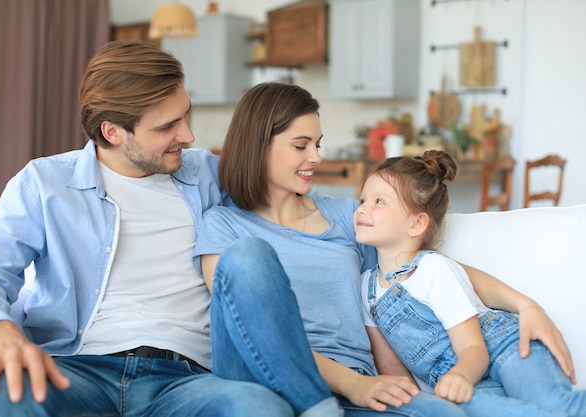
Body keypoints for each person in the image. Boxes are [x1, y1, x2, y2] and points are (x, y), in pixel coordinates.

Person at [0, 41, 342, 417]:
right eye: (168, 126)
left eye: (186, 115)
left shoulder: (208, 175)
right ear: (113, 132)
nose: (188, 135)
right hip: (76, 368)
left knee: (259, 408)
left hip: (189, 379)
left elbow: (285, 192)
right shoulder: (45, 184)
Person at [193, 82, 576, 417]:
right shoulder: (224, 226)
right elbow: (246, 327)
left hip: (362, 385)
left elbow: (428, 265)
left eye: (318, 144)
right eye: (301, 145)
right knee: (250, 259)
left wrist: (526, 305)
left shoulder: (347, 216)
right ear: (259, 145)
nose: (317, 157)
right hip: (274, 380)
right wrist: (348, 383)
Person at [355, 150, 586, 417]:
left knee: (554, 405)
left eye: (379, 201)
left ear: (416, 224)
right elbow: (394, 373)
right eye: (362, 199)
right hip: (463, 383)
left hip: (506, 347)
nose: (362, 208)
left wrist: (461, 377)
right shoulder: (366, 289)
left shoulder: (433, 269)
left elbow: (473, 348)